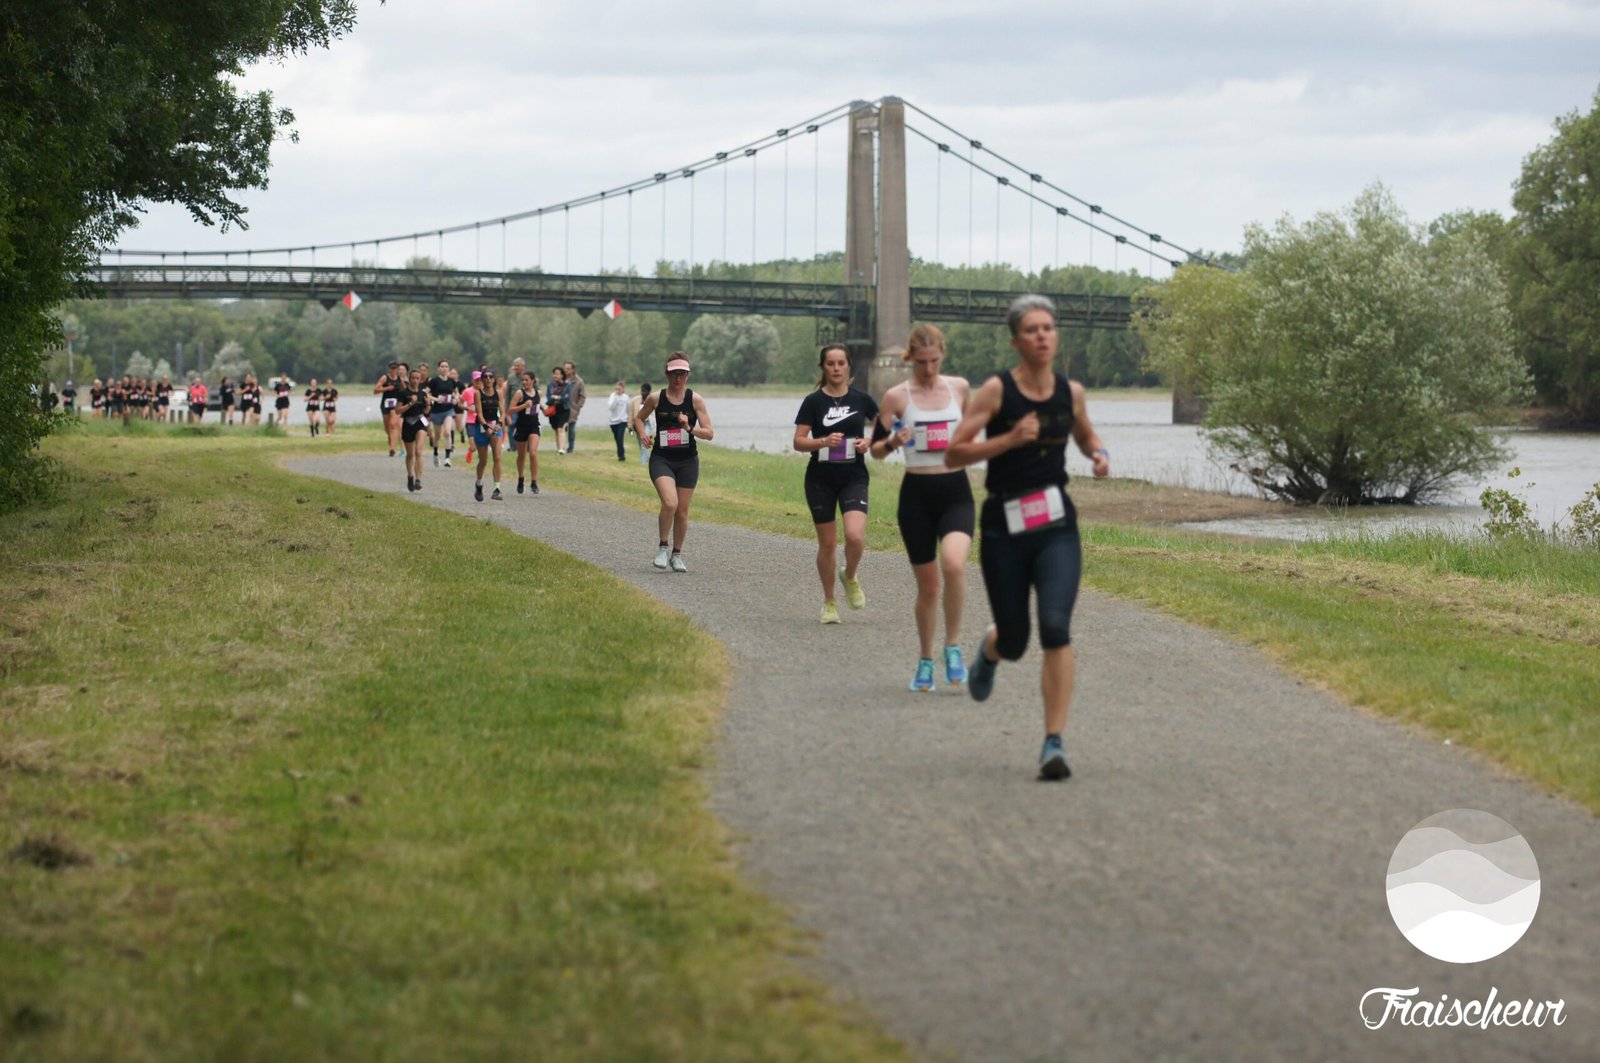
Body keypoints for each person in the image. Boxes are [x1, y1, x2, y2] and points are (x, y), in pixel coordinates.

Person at [945, 295, 1110, 781]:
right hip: (1004, 524)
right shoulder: (997, 392)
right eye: (1032, 330)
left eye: (1049, 328)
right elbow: (955, 453)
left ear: (1056, 337)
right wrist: (1009, 440)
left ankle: (1053, 742)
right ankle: (991, 649)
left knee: (1056, 627)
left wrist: (1098, 454)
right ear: (1016, 340)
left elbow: (1084, 436)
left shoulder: (1070, 391)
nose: (1042, 336)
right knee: (1016, 640)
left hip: (1057, 523)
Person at [870, 324, 974, 691]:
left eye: (935, 361)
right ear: (910, 358)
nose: (929, 369)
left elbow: (973, 434)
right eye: (922, 362)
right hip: (916, 496)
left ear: (942, 355)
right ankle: (926, 660)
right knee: (929, 587)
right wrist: (893, 441)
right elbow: (876, 451)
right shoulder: (896, 397)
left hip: (956, 491)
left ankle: (953, 647)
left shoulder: (959, 388)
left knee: (955, 563)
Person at [794, 343, 878, 625]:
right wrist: (821, 442)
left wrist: (869, 442)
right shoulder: (813, 402)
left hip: (854, 476)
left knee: (855, 536)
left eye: (841, 363)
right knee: (827, 544)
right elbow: (798, 441)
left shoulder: (862, 399)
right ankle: (829, 602)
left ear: (849, 366)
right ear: (823, 368)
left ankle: (850, 575)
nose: (836, 368)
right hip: (820, 479)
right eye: (831, 364)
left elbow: (884, 426)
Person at [634, 353, 713, 572]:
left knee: (682, 511)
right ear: (667, 373)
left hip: (688, 460)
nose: (678, 378)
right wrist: (642, 435)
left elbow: (709, 433)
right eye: (674, 373)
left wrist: (689, 428)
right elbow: (639, 418)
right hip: (662, 458)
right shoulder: (656, 399)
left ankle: (677, 555)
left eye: (683, 374)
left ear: (688, 375)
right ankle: (662, 548)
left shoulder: (695, 400)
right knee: (670, 503)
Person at [470, 367, 505, 501]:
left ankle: (497, 489)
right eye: (485, 377)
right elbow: (478, 413)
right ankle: (479, 483)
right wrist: (486, 427)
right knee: (483, 461)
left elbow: (502, 412)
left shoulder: (499, 393)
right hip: (481, 427)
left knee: (497, 457)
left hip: (496, 426)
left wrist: (499, 425)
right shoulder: (478, 393)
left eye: (491, 377)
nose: (488, 379)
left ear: (494, 379)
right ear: (482, 380)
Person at [395, 367, 432, 492]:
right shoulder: (403, 393)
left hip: (421, 422)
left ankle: (418, 479)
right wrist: (410, 403)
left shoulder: (423, 394)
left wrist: (428, 405)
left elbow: (426, 412)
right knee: (410, 455)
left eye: (417, 378)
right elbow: (397, 410)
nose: (415, 380)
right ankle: (410, 475)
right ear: (409, 379)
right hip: (408, 423)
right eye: (413, 378)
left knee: (419, 451)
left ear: (420, 379)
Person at [508, 369, 543, 494]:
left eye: (526, 380)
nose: (524, 382)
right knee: (521, 455)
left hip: (534, 426)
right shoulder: (519, 393)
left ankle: (534, 482)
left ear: (533, 381)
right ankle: (521, 478)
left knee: (533, 453)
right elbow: (510, 410)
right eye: (523, 380)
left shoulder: (539, 393)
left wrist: (545, 410)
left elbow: (538, 406)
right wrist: (523, 406)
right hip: (521, 426)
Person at [426, 359, 458, 466]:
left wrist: (455, 399)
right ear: (438, 368)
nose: (444, 368)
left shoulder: (451, 381)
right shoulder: (434, 381)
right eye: (442, 366)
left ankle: (447, 458)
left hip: (448, 410)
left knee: (447, 432)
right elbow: (426, 394)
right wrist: (435, 399)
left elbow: (456, 393)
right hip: (436, 412)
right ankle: (435, 454)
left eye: (446, 366)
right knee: (438, 436)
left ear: (448, 369)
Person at [374, 361, 402, 454]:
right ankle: (391, 438)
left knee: (393, 424)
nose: (393, 370)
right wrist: (386, 388)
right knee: (387, 427)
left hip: (395, 405)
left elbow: (404, 389)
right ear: (389, 369)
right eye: (391, 368)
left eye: (395, 368)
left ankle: (392, 448)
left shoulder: (399, 379)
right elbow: (375, 390)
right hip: (385, 404)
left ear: (397, 369)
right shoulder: (385, 378)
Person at [563, 360, 586, 453]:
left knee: (571, 428)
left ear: (573, 370)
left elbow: (583, 396)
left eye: (568, 369)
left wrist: (577, 407)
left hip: (573, 409)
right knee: (562, 428)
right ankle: (561, 446)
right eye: (565, 368)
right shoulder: (561, 380)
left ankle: (571, 447)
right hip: (562, 408)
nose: (566, 370)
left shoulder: (579, 381)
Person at [545, 366, 569, 454]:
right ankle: (559, 448)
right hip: (553, 409)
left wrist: (557, 397)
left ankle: (562, 448)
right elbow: (548, 398)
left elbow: (567, 398)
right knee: (556, 429)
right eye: (554, 374)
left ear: (562, 375)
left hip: (564, 409)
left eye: (557, 374)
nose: (555, 376)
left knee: (561, 428)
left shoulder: (567, 385)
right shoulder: (550, 385)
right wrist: (555, 398)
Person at [628, 382, 653, 464]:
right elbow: (631, 413)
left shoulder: (652, 400)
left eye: (645, 391)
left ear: (649, 392)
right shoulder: (635, 400)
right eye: (642, 391)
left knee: (644, 442)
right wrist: (630, 425)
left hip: (648, 423)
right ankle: (648, 459)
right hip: (637, 424)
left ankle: (643, 462)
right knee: (641, 443)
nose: (643, 393)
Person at [607, 380, 630, 461]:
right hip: (613, 421)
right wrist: (616, 398)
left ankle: (621, 456)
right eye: (616, 389)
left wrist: (629, 420)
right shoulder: (612, 396)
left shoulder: (626, 397)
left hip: (622, 421)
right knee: (617, 439)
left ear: (623, 389)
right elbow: (610, 407)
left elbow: (628, 409)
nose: (618, 391)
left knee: (620, 438)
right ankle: (620, 454)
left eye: (619, 389)